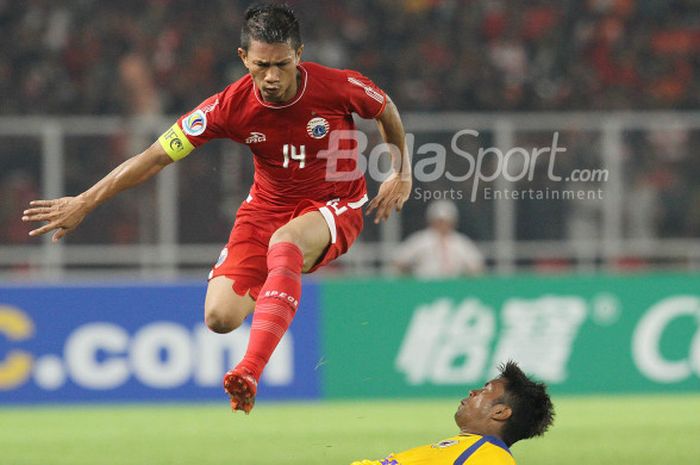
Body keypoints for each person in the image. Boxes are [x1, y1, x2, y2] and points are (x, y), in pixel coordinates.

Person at [21, 3, 412, 413]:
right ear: (244, 58)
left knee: (287, 241)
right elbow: (155, 155)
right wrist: (86, 200)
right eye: (262, 65)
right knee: (220, 317)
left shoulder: (337, 86)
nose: (273, 77)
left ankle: (249, 369)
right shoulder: (228, 107)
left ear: (299, 54)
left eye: (282, 64)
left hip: (335, 204)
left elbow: (384, 108)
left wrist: (400, 170)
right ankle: (280, 286)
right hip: (265, 209)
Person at [351, 361, 554, 465]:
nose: (473, 392)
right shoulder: (470, 448)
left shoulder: (489, 458)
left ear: (500, 412)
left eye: (485, 390)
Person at [395, 200, 484, 278]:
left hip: (453, 288)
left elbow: (476, 266)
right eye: (439, 221)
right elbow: (399, 261)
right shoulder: (421, 240)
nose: (443, 225)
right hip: (425, 287)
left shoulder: (460, 242)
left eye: (446, 221)